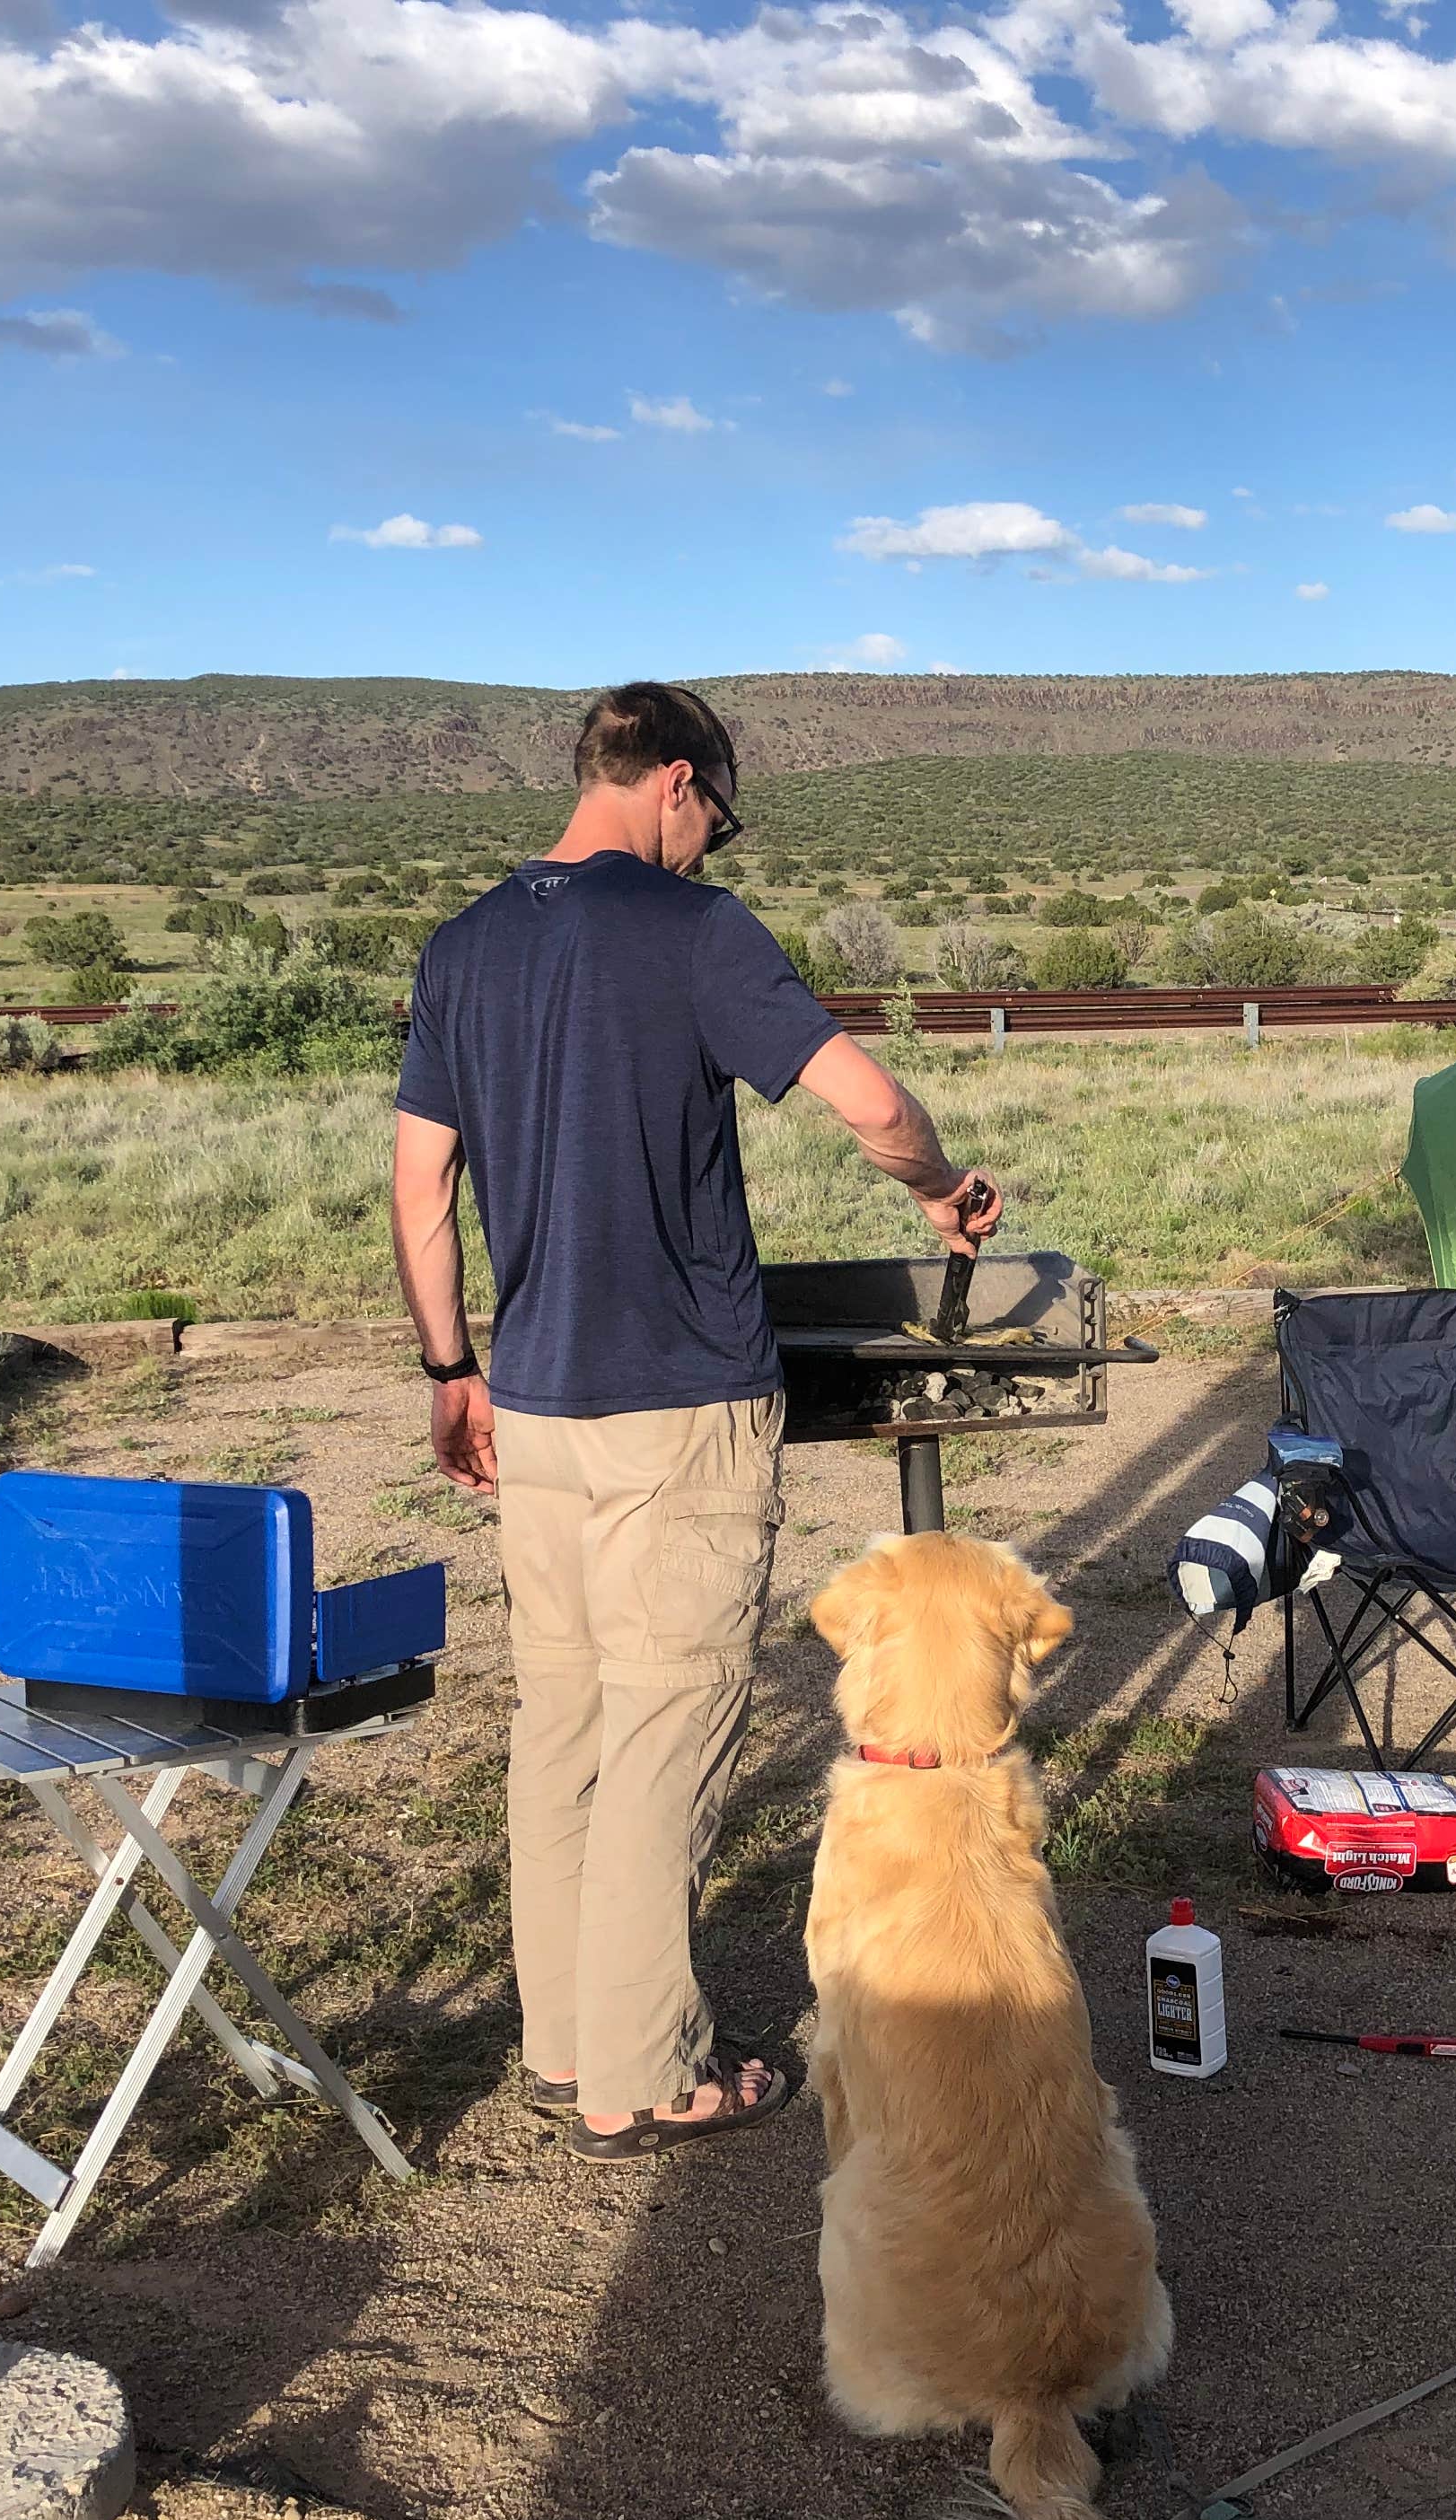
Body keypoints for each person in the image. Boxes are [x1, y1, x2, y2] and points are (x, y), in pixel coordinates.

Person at [389, 681, 1000, 2163]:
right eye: (715, 816)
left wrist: (449, 1370)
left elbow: (422, 1186)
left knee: (567, 1725)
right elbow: (865, 1100)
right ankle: (644, 2073)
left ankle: (561, 2040)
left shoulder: (463, 948)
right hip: (681, 1405)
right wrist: (934, 1184)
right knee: (669, 1732)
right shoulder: (694, 932)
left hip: (530, 1399)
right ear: (674, 780)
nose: (713, 844)